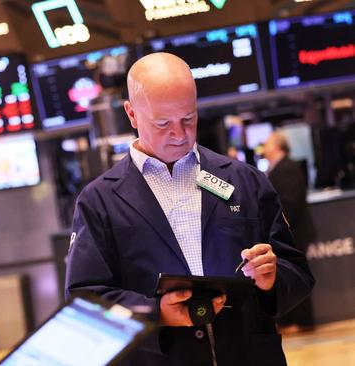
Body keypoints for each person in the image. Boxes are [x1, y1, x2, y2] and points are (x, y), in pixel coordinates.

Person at [65, 53, 314, 366]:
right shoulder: (99, 201)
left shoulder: (244, 180)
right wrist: (157, 314)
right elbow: (85, 300)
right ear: (131, 114)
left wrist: (271, 280)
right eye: (163, 123)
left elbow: (297, 272)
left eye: (188, 118)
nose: (180, 134)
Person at [263, 131, 316, 333]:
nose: (264, 148)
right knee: (283, 274)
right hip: (287, 233)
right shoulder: (275, 169)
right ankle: (288, 321)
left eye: (267, 144)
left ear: (277, 146)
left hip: (296, 232)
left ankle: (303, 322)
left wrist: (275, 224)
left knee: (297, 274)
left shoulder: (288, 168)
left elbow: (289, 203)